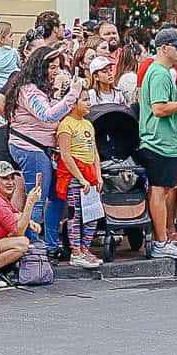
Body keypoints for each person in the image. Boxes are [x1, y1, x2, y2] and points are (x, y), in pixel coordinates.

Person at [3, 45, 82, 263]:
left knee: (57, 196)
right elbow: (46, 115)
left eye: (58, 67)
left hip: (43, 149)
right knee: (36, 199)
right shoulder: (28, 90)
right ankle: (31, 249)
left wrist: (61, 94)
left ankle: (50, 245)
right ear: (40, 67)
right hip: (31, 149)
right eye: (52, 67)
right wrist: (73, 95)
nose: (56, 71)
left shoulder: (40, 89)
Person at [138, 28, 177, 260]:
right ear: (163, 48)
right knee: (159, 192)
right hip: (159, 142)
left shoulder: (160, 72)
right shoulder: (159, 73)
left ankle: (163, 238)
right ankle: (160, 242)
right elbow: (159, 109)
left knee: (163, 190)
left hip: (164, 142)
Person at [56, 89, 103, 269]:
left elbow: (95, 152)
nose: (89, 103)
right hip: (75, 177)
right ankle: (75, 252)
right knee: (75, 216)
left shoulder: (88, 125)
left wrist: (97, 175)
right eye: (84, 100)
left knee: (92, 216)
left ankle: (85, 248)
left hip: (90, 176)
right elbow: (66, 156)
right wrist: (81, 178)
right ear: (73, 104)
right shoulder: (66, 125)